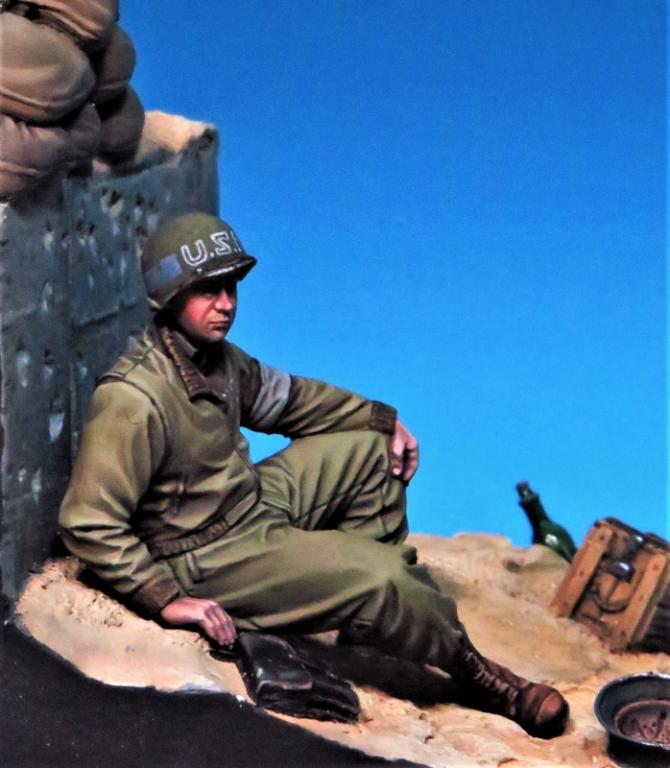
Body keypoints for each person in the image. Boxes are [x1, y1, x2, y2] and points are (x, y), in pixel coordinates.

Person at [59, 212, 569, 739]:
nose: (227, 304)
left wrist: (379, 419)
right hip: (205, 555)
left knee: (373, 452)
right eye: (208, 290)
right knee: (386, 577)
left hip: (248, 505)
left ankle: (368, 616)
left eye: (232, 287)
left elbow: (292, 400)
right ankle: (476, 671)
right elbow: (88, 523)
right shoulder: (133, 398)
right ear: (169, 298)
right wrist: (164, 597)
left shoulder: (219, 360)